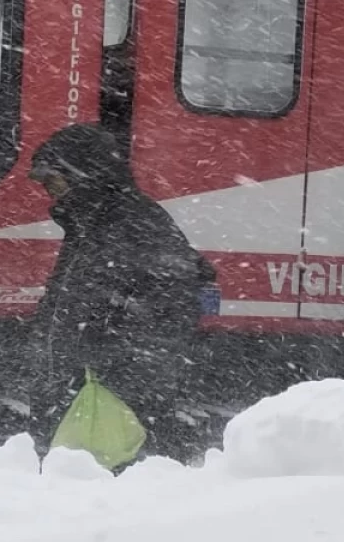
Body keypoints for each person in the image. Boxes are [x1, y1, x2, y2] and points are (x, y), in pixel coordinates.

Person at [27, 124, 215, 464]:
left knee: (112, 487)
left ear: (81, 174)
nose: (49, 190)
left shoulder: (133, 223)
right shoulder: (90, 224)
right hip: (81, 390)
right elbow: (71, 301)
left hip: (114, 396)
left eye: (53, 178)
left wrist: (113, 367)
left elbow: (170, 311)